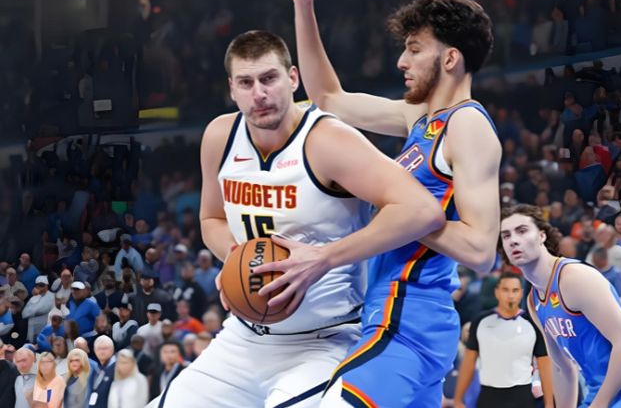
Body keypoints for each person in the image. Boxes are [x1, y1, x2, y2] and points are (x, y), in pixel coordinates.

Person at [155, 28, 446, 408]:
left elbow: (422, 211)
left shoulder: (328, 140)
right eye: (246, 82)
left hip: (325, 339)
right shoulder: (219, 136)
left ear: (292, 78)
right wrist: (236, 259)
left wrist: (322, 258)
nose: (259, 93)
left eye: (269, 78)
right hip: (243, 337)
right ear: (232, 89)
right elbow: (211, 219)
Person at [255, 0, 500, 405]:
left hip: (409, 319)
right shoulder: (420, 118)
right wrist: (303, 3)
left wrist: (404, 211)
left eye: (415, 49)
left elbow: (480, 250)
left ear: (450, 58)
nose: (402, 60)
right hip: (386, 314)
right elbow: (328, 98)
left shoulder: (468, 124)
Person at [500, 204, 621, 407]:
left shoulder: (574, 277)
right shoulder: (534, 300)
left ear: (541, 236)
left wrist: (598, 405)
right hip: (599, 390)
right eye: (506, 235)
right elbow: (561, 367)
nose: (513, 240)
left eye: (522, 231)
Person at [454, 273, 553, 408]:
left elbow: (544, 365)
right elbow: (468, 363)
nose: (510, 295)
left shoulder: (533, 324)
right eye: (505, 290)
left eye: (515, 290)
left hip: (522, 396)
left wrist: (549, 403)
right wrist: (458, 399)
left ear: (521, 293)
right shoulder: (480, 322)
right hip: (489, 396)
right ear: (497, 292)